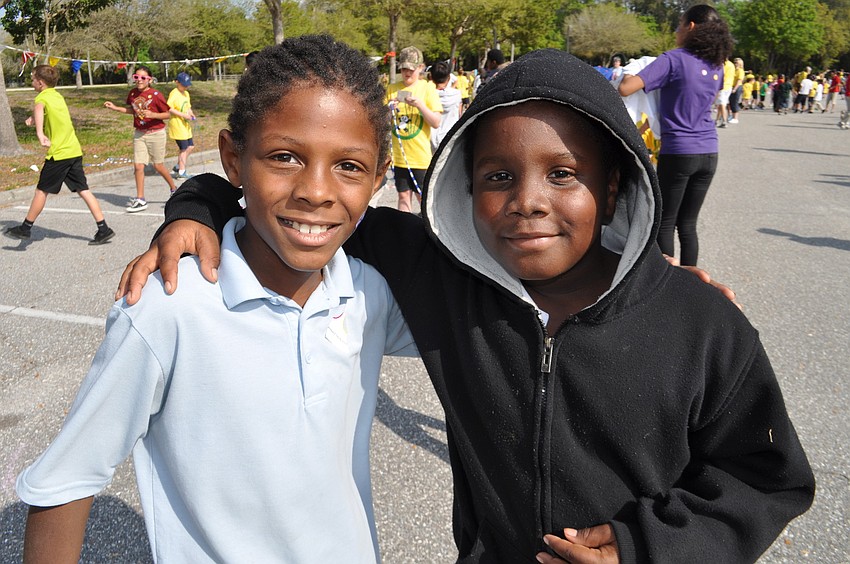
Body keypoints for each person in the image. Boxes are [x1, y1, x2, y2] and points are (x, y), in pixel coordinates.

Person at [119, 42, 814, 563]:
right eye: (498, 176)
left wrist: (648, 548)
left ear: (614, 190)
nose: (529, 201)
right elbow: (301, 201)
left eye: (564, 175)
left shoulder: (699, 323)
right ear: (461, 188)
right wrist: (196, 207)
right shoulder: (444, 275)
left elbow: (764, 475)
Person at [17, 36, 416, 563]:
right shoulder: (169, 305)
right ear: (233, 158)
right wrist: (192, 205)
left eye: (349, 166)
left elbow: (502, 327)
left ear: (378, 179)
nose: (316, 191)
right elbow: (64, 481)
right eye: (284, 157)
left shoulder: (369, 292)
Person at [619, 4, 731, 267]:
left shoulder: (674, 59)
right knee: (688, 225)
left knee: (665, 223)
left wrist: (634, 68)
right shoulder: (717, 66)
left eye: (679, 24)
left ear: (690, 27)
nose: (676, 30)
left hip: (680, 151)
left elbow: (626, 88)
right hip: (709, 152)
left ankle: (672, 284)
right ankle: (693, 283)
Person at [4, 65, 114, 245]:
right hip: (74, 151)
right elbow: (49, 113)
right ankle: (103, 228)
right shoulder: (56, 96)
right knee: (83, 190)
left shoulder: (41, 97)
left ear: (40, 83)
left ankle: (25, 228)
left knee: (41, 191)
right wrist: (33, 119)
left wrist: (40, 133)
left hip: (60, 154)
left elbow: (40, 109)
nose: (32, 82)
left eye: (32, 79)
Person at [104, 65, 177, 212]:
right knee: (138, 166)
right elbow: (133, 110)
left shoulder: (156, 95)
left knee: (158, 165)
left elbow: (169, 114)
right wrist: (115, 108)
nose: (139, 80)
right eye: (136, 77)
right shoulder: (132, 94)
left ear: (149, 80)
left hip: (156, 133)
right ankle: (140, 199)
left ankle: (174, 189)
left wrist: (153, 115)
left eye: (143, 78)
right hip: (140, 134)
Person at [384, 46, 442, 213]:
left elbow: (436, 122)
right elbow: (382, 121)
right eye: (403, 69)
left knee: (423, 199)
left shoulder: (427, 88)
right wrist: (389, 109)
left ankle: (429, 234)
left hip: (420, 158)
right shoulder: (392, 88)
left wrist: (419, 105)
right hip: (399, 157)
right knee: (403, 196)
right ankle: (404, 232)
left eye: (411, 69)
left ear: (420, 68)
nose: (407, 73)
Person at [167, 72, 196, 180]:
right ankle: (181, 171)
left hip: (185, 125)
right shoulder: (174, 93)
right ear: (177, 82)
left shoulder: (186, 94)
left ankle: (179, 165)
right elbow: (169, 108)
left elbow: (188, 106)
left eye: (187, 84)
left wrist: (191, 113)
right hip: (177, 125)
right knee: (183, 149)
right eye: (183, 84)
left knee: (190, 146)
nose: (186, 87)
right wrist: (183, 115)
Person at [429, 61, 463, 153]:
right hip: (450, 138)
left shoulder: (427, 96)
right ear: (448, 78)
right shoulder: (456, 95)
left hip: (430, 139)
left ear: (431, 77)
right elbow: (460, 115)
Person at [714, 58, 734, 127]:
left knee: (722, 104)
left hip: (723, 86)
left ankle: (724, 121)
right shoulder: (731, 64)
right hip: (729, 86)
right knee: (721, 103)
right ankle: (717, 120)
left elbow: (720, 75)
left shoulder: (723, 65)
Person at [727, 57, 745, 123]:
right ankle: (732, 115)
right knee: (730, 102)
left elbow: (739, 80)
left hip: (737, 87)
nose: (735, 64)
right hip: (732, 86)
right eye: (734, 62)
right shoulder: (734, 70)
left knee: (735, 102)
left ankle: (736, 118)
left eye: (736, 63)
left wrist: (735, 89)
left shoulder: (740, 71)